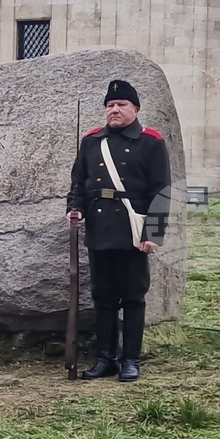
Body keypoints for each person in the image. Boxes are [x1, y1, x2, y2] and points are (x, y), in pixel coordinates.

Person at [66, 80, 171, 382]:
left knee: (133, 298)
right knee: (103, 297)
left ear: (135, 109)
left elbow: (161, 190)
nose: (114, 110)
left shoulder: (151, 141)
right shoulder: (91, 141)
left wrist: (154, 233)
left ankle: (131, 360)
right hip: (101, 228)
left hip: (133, 229)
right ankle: (106, 358)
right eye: (110, 105)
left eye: (121, 104)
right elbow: (79, 181)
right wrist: (75, 207)